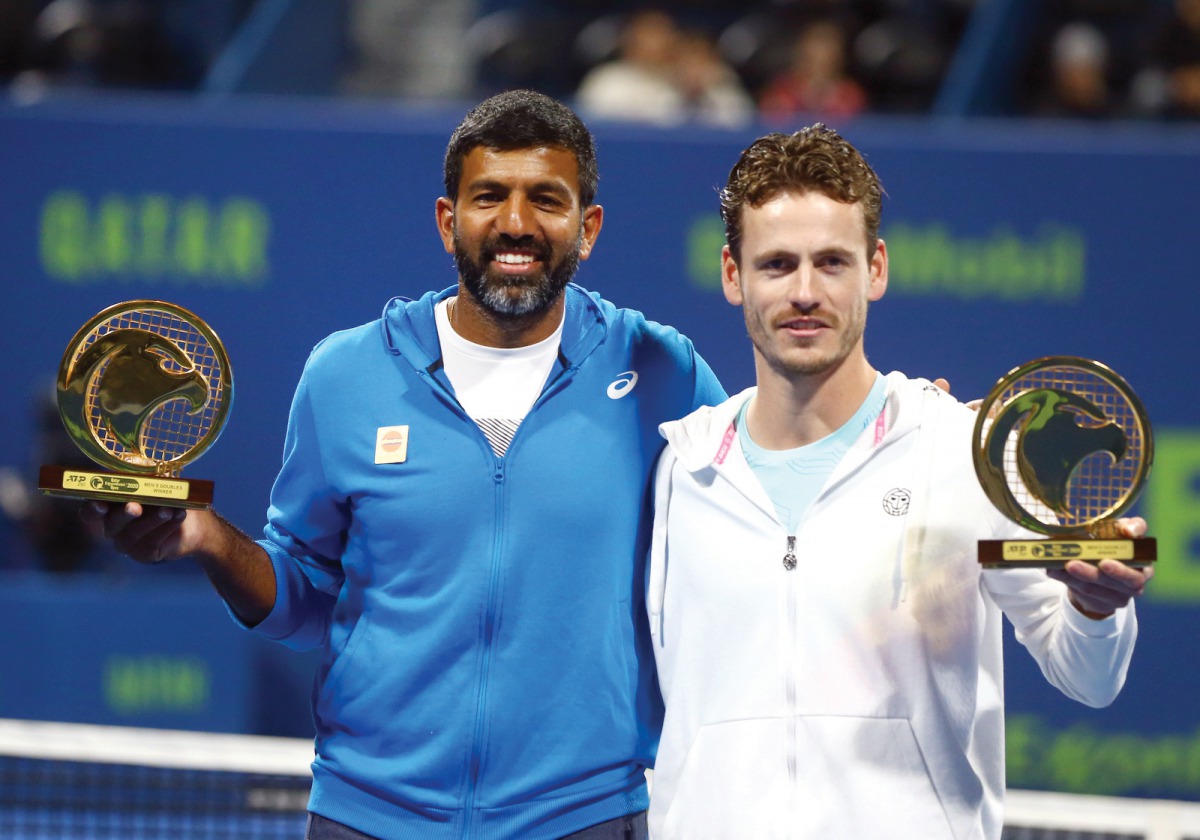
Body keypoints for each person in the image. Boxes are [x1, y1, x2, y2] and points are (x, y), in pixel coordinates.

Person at [82, 89, 726, 840]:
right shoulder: (344, 375)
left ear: (588, 229)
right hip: (370, 817)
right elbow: (304, 596)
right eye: (490, 197)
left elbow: (740, 540)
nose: (516, 223)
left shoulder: (662, 371)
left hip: (579, 819)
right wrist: (210, 542)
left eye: (545, 200)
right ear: (448, 220)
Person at [645, 125, 1152, 839]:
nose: (804, 292)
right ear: (733, 275)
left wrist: (1098, 610)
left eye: (832, 262)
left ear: (875, 268)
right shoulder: (682, 470)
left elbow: (1089, 678)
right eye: (777, 264)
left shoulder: (963, 451)